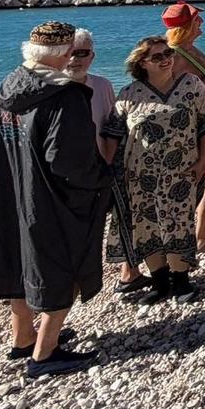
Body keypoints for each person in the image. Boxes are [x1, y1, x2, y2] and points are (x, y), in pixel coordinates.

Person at [0, 21, 109, 377]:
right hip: (49, 198)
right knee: (61, 264)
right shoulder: (65, 95)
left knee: (18, 259)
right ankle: (45, 353)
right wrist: (102, 181)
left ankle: (23, 339)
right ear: (65, 53)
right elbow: (68, 160)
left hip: (5, 191)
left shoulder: (11, 85)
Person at [102, 36, 205, 305]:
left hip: (182, 172)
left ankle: (181, 280)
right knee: (147, 226)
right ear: (142, 63)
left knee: (179, 223)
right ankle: (159, 281)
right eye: (158, 57)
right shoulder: (130, 94)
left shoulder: (191, 85)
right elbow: (113, 133)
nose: (166, 59)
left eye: (168, 54)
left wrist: (203, 160)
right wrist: (106, 168)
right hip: (140, 176)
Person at [66, 28, 145, 298]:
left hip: (102, 166)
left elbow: (113, 126)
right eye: (69, 52)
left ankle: (129, 272)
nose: (74, 59)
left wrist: (113, 162)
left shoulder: (101, 85)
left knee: (123, 219)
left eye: (82, 53)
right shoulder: (50, 89)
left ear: (92, 55)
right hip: (64, 176)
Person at [160, 2, 205, 258]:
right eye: (197, 21)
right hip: (197, 130)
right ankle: (199, 235)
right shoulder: (174, 55)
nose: (202, 24)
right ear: (187, 26)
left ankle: (198, 232)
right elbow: (169, 93)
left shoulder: (188, 50)